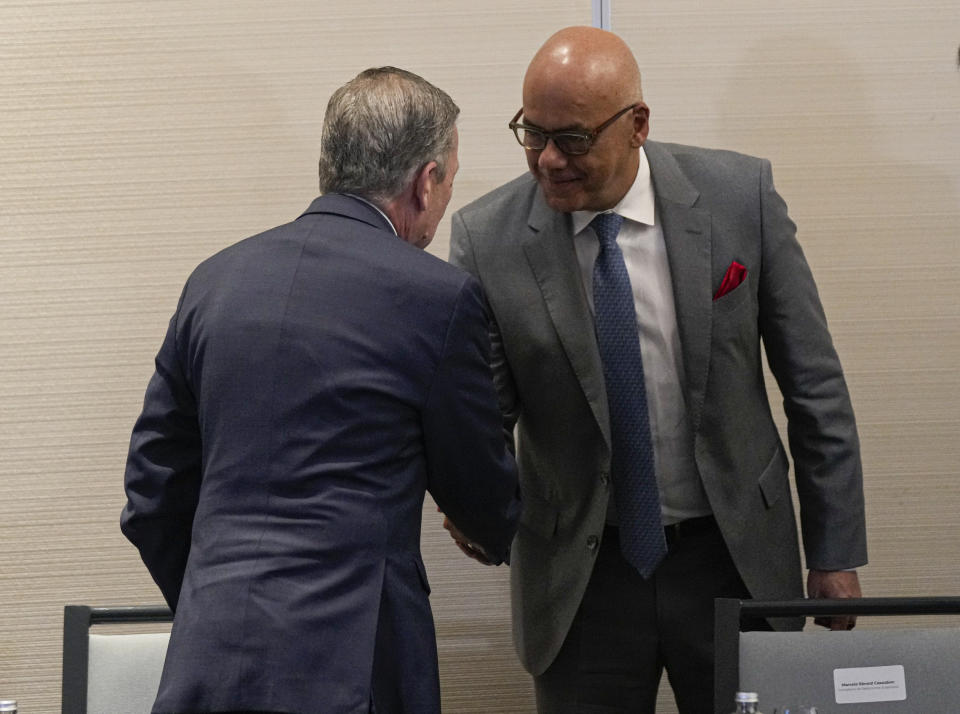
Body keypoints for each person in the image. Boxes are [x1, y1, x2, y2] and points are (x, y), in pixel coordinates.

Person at [448, 27, 867, 714]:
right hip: (583, 577)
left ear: (637, 125)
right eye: (531, 133)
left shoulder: (741, 198)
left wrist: (834, 549)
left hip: (732, 557)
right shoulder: (485, 238)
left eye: (573, 139)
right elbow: (482, 413)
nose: (548, 159)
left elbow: (814, 384)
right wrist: (472, 495)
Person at [121, 66, 521, 714]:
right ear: (426, 182)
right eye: (448, 178)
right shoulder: (437, 298)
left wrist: (213, 597)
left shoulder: (214, 282)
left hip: (210, 661)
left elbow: (150, 494)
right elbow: (480, 491)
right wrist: (496, 523)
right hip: (356, 671)